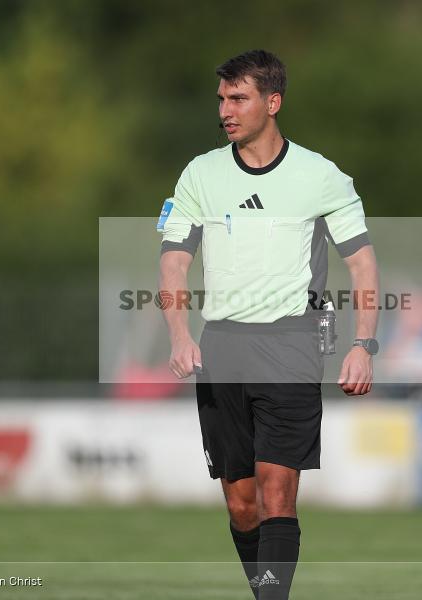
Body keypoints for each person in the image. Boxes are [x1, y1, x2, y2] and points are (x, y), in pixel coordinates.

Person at [158, 50, 379, 599]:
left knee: (278, 493)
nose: (226, 111)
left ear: (272, 102)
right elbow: (173, 260)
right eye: (222, 100)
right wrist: (180, 334)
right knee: (241, 502)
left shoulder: (322, 176)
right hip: (223, 347)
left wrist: (364, 342)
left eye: (239, 99)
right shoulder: (200, 174)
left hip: (292, 342)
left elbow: (362, 262)